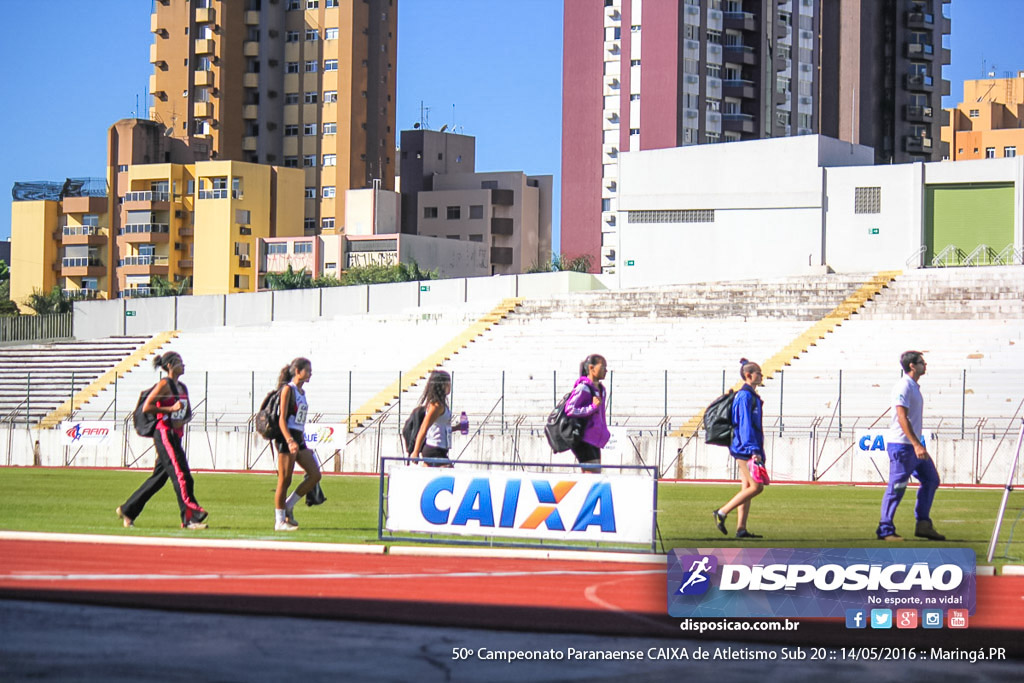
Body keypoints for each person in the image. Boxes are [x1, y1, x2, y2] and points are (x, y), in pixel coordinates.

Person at [116, 351, 208, 530]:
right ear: (170, 366)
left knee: (158, 479)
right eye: (179, 362)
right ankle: (190, 518)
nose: (183, 365)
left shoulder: (182, 387)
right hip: (164, 434)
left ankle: (128, 510)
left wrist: (183, 418)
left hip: (176, 435)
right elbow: (148, 407)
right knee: (182, 476)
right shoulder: (164, 385)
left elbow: (186, 411)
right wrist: (170, 409)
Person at [876, 351, 944, 541]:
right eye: (922, 362)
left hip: (912, 445)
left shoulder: (914, 387)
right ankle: (885, 529)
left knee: (931, 480)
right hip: (903, 446)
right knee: (897, 487)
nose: (925, 365)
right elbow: (901, 416)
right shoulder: (903, 386)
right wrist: (917, 444)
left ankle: (923, 524)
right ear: (912, 366)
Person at [712, 358, 766, 539]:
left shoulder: (751, 396)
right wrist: (753, 449)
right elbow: (744, 425)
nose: (761, 375)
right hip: (745, 448)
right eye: (758, 373)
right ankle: (721, 512)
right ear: (749, 375)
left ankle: (741, 529)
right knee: (757, 487)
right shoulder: (744, 396)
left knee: (747, 487)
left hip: (748, 446)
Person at [273, 357, 322, 531]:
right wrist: (289, 440)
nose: (310, 373)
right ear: (297, 371)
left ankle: (288, 505)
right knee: (284, 480)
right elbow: (282, 419)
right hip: (288, 437)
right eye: (307, 370)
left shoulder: (302, 393)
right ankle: (279, 521)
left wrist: (297, 439)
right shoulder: (288, 390)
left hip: (299, 437)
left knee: (315, 475)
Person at [565, 354, 610, 474]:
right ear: (591, 368)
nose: (606, 370)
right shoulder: (583, 388)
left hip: (594, 439)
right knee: (592, 474)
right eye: (603, 366)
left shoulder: (601, 389)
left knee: (594, 474)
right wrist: (591, 407)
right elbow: (569, 409)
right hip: (583, 438)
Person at [410, 370, 455, 467]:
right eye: (448, 383)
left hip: (440, 449)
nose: (450, 386)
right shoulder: (436, 405)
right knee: (450, 475)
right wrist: (416, 451)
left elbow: (441, 427)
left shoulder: (442, 404)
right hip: (435, 449)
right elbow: (424, 427)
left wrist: (457, 428)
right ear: (442, 385)